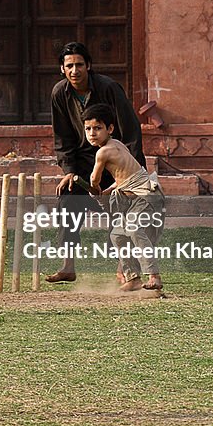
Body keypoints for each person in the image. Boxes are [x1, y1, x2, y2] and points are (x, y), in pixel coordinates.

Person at [46, 42, 144, 283]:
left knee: (120, 210)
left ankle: (125, 270)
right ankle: (68, 266)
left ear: (88, 66)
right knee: (68, 200)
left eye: (79, 64)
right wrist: (69, 170)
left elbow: (130, 131)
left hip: (115, 159)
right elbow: (63, 137)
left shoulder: (108, 88)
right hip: (82, 162)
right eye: (69, 66)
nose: (75, 70)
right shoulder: (60, 93)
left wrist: (131, 176)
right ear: (62, 69)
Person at [83, 103, 164, 292]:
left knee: (134, 229)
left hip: (147, 195)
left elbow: (94, 179)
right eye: (88, 129)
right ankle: (133, 278)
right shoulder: (117, 144)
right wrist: (107, 192)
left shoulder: (103, 152)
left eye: (98, 128)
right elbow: (124, 178)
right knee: (117, 235)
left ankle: (154, 276)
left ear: (110, 129)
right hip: (139, 197)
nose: (92, 133)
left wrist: (95, 190)